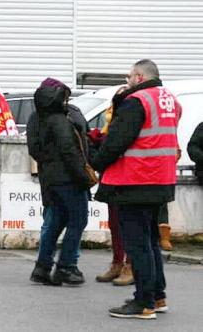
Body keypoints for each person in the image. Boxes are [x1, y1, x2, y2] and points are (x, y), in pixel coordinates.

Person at [91, 59, 180, 320]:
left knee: (138, 244)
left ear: (140, 77)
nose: (127, 81)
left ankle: (143, 302)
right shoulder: (169, 99)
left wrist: (95, 161)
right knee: (151, 241)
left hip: (135, 180)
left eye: (130, 76)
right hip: (160, 179)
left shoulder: (137, 101)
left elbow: (116, 141)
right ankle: (157, 295)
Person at [27, 77, 91, 286]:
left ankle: (42, 266)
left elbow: (34, 150)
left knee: (55, 221)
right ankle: (66, 266)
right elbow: (69, 151)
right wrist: (83, 177)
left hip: (49, 179)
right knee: (78, 220)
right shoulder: (61, 120)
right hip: (69, 179)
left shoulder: (35, 119)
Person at [90, 87, 134, 286]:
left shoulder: (134, 111)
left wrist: (99, 156)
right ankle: (117, 262)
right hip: (112, 174)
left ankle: (130, 265)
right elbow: (110, 137)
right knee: (115, 222)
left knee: (131, 224)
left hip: (130, 175)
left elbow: (119, 141)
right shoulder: (115, 111)